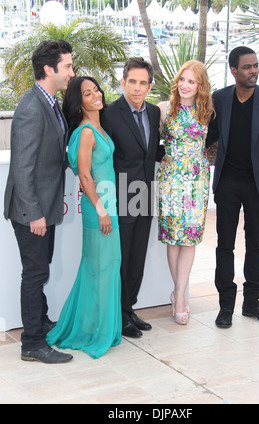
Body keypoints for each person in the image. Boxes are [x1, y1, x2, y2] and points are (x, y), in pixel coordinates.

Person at [206, 46, 259, 328]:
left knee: (255, 244)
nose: (253, 71)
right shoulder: (220, 99)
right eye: (247, 67)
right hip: (228, 183)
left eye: (255, 65)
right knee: (225, 246)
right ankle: (225, 306)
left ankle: (252, 303)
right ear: (233, 70)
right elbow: (208, 136)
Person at [3, 40, 74, 364]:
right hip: (31, 212)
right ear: (50, 69)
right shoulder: (32, 108)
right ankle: (31, 342)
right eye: (68, 66)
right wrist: (34, 214)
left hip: (43, 209)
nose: (71, 72)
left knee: (39, 271)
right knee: (34, 273)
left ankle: (41, 323)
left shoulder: (50, 102)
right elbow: (22, 167)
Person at [46, 77, 122, 358]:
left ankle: (97, 327)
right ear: (79, 103)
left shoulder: (98, 127)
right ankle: (91, 332)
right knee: (100, 269)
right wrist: (102, 210)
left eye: (96, 90)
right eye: (88, 94)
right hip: (98, 210)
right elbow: (85, 175)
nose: (96, 95)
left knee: (105, 266)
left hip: (108, 206)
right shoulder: (86, 132)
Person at [101, 57, 164, 338]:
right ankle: (120, 314)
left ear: (150, 86)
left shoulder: (153, 113)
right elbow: (102, 158)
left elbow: (150, 151)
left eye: (142, 83)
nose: (137, 88)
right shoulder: (109, 113)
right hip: (122, 193)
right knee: (122, 258)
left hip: (146, 193)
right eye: (132, 82)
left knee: (137, 257)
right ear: (122, 82)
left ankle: (130, 309)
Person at [156, 60, 215, 325]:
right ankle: (179, 295)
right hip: (170, 180)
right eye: (182, 79)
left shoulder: (208, 112)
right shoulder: (163, 109)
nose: (185, 85)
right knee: (173, 238)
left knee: (189, 238)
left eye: (191, 81)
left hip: (197, 180)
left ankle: (178, 294)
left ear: (200, 86)